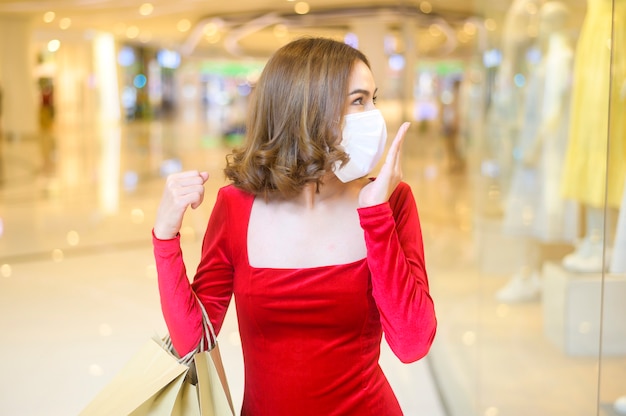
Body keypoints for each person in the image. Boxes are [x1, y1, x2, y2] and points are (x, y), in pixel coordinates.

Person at [152, 37, 437, 415]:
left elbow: (412, 343)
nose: (374, 115)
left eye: (374, 99)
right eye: (358, 101)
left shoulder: (390, 203)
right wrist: (165, 238)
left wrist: (376, 216)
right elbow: (194, 341)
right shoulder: (236, 207)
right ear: (307, 108)